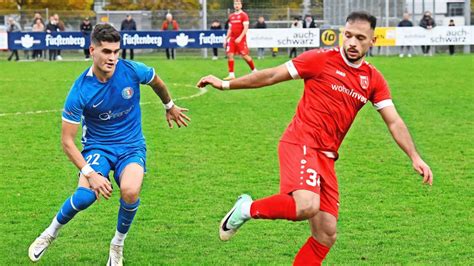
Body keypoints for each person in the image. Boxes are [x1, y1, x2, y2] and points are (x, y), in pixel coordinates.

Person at [197, 11, 433, 264]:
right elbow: (271, 75)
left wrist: (414, 156)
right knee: (306, 205)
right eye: (349, 35)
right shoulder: (320, 60)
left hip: (327, 157)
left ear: (372, 41)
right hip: (301, 142)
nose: (352, 43)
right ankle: (245, 209)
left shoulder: (372, 79)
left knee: (326, 234)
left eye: (360, 38)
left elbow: (394, 120)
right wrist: (225, 84)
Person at [28, 24, 190, 265]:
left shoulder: (132, 70)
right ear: (92, 50)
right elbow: (67, 141)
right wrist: (90, 173)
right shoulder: (81, 90)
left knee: (131, 191)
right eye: (106, 51)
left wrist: (169, 106)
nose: (112, 57)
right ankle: (49, 233)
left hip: (131, 146)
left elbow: (157, 81)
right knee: (84, 197)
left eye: (116, 51)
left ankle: (117, 244)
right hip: (98, 148)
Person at [223, 0, 257, 80]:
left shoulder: (244, 15)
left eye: (238, 4)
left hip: (241, 39)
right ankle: (231, 75)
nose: (236, 5)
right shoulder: (231, 16)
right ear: (233, 5)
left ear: (241, 5)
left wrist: (240, 38)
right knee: (229, 54)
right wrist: (226, 39)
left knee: (244, 56)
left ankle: (254, 70)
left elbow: (246, 28)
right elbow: (230, 29)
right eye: (235, 4)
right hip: (232, 39)